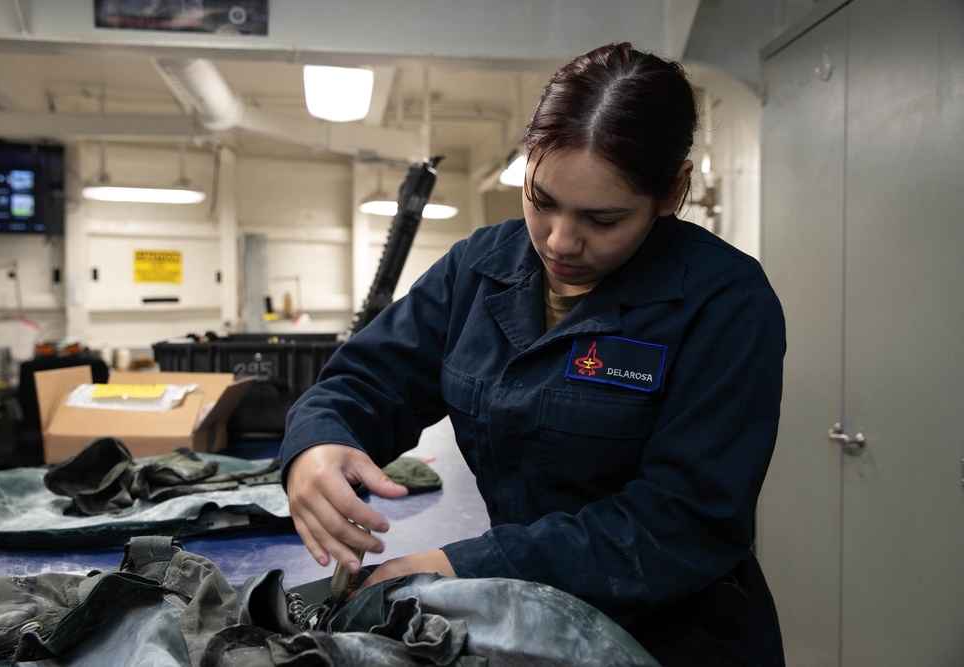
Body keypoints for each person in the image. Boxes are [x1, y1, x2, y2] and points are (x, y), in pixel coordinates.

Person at [281, 42, 786, 666]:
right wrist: (316, 445)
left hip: (671, 637)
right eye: (541, 199)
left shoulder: (724, 303)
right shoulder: (479, 267)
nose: (559, 241)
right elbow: (366, 377)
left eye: (603, 219)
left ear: (672, 189)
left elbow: (678, 521)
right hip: (519, 625)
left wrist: (459, 567)